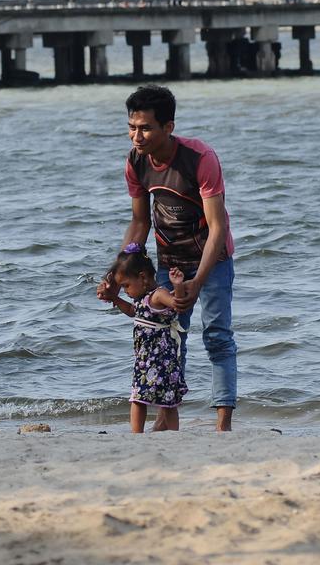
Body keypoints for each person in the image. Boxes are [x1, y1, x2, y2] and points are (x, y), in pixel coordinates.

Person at [97, 85, 238, 431]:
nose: (136, 136)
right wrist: (114, 276)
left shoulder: (200, 159)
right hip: (169, 261)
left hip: (212, 259)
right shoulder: (135, 162)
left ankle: (223, 424)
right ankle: (167, 419)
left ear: (168, 127)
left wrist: (197, 281)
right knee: (168, 335)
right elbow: (140, 221)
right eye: (131, 127)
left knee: (218, 336)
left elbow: (218, 227)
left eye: (145, 128)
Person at [101, 244, 189, 433]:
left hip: (163, 360)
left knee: (168, 401)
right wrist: (115, 299)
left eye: (126, 286)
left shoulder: (159, 294)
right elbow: (134, 312)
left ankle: (174, 434)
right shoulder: (141, 298)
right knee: (138, 397)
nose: (124, 290)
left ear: (142, 277)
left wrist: (178, 286)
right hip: (144, 360)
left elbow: (177, 305)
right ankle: (136, 434)